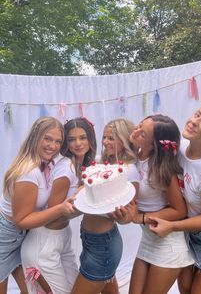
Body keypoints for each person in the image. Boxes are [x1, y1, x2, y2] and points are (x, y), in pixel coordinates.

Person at [148, 102, 201, 294]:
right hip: (190, 230)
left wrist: (171, 226)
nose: (195, 121)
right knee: (185, 290)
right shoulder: (180, 148)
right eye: (197, 114)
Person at [113, 114, 194, 294]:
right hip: (148, 241)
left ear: (154, 145)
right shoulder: (135, 155)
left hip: (168, 245)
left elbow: (179, 210)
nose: (136, 131)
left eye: (143, 134)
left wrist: (140, 217)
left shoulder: (161, 169)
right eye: (139, 126)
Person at [0, 116, 75, 294]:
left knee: (31, 289)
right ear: (36, 136)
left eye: (58, 141)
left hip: (19, 236)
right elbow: (21, 220)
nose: (53, 146)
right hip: (6, 236)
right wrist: (60, 208)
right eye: (47, 138)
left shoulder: (44, 164)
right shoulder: (29, 171)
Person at [21, 117, 96, 293]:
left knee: (74, 289)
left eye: (83, 137)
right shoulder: (66, 168)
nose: (78, 143)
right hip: (44, 241)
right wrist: (84, 202)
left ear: (90, 139)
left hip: (62, 237)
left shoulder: (81, 165)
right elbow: (53, 213)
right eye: (71, 139)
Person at [71, 118, 140, 294]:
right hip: (89, 240)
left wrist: (122, 216)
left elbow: (129, 216)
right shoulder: (100, 161)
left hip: (104, 245)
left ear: (124, 141)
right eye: (104, 137)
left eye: (111, 138)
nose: (105, 142)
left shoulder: (128, 170)